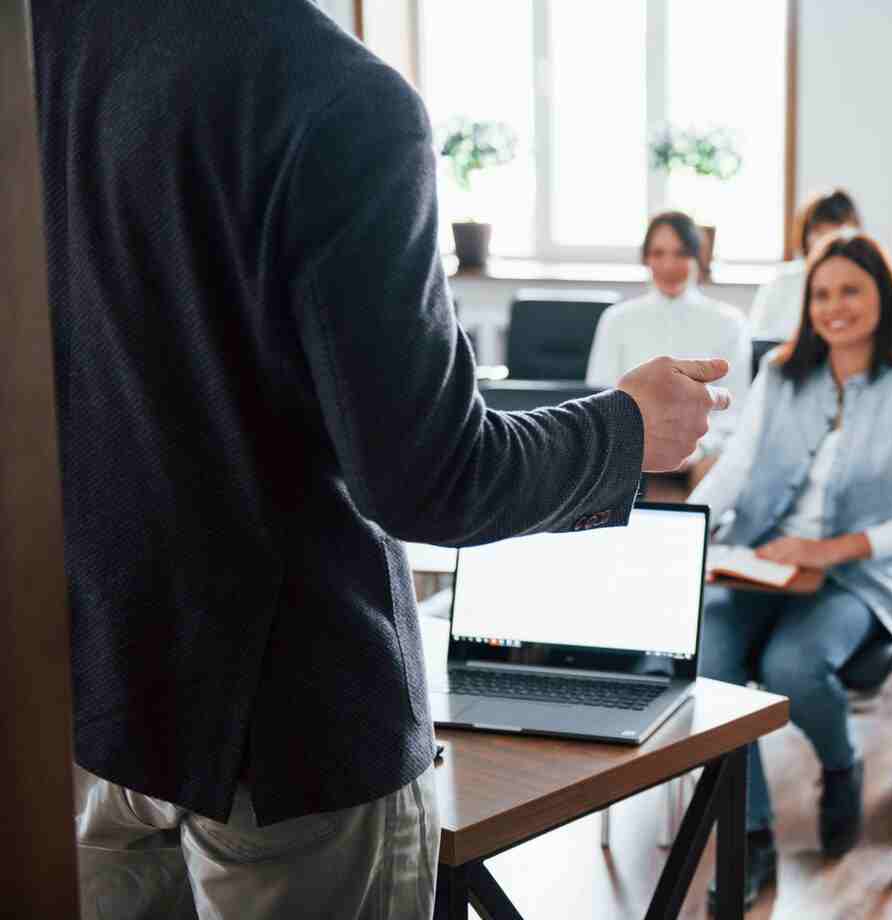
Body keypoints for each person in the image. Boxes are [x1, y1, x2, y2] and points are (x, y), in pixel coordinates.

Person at [34, 3, 730, 917]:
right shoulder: (336, 99)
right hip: (292, 735)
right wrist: (625, 431)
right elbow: (432, 477)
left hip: (95, 699)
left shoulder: (45, 47)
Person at [692, 231, 892, 910]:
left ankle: (841, 765)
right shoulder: (782, 377)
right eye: (822, 294)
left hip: (853, 579)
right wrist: (686, 532)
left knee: (791, 666)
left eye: (851, 291)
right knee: (707, 660)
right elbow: (737, 468)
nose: (834, 306)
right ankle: (749, 832)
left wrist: (831, 551)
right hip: (757, 561)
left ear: (883, 299)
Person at [586, 211, 751, 486]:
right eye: (658, 253)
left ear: (697, 257)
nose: (669, 265)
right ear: (646, 258)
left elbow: (735, 410)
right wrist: (640, 445)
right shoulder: (617, 319)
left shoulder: (730, 323)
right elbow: (599, 395)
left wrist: (697, 448)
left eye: (680, 253)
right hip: (631, 449)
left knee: (717, 472)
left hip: (702, 450)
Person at [746, 188, 863, 341]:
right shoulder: (781, 283)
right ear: (805, 236)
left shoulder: (866, 282)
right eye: (820, 232)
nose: (829, 241)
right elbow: (758, 341)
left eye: (837, 231)